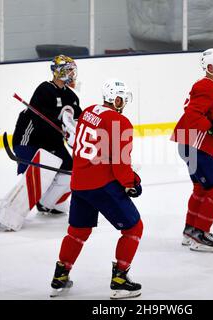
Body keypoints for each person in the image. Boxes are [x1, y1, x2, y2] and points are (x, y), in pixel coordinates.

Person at [49, 79, 143, 300]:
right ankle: (120, 280)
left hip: (79, 183)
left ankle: (60, 277)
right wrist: (133, 182)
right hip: (102, 186)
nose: (124, 105)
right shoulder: (121, 121)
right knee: (134, 229)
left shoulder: (89, 111)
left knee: (78, 231)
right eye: (123, 100)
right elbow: (120, 166)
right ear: (117, 99)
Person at [0, 55, 82, 231]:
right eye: (69, 70)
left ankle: (48, 203)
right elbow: (40, 122)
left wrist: (77, 134)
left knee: (72, 171)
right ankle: (11, 213)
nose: (72, 73)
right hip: (30, 141)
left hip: (53, 144)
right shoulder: (45, 90)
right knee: (39, 173)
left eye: (73, 70)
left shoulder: (72, 97)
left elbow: (79, 119)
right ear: (59, 72)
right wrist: (63, 129)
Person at [171, 48, 213, 252]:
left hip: (191, 144)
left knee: (202, 189)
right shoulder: (207, 87)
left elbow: (205, 117)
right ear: (211, 67)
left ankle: (191, 231)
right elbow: (193, 115)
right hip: (194, 146)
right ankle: (201, 235)